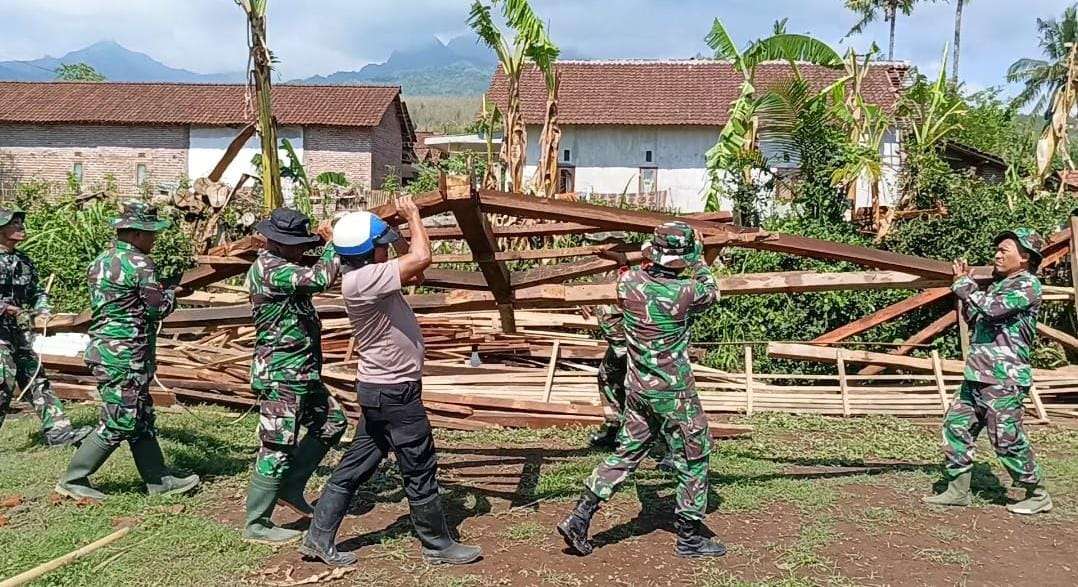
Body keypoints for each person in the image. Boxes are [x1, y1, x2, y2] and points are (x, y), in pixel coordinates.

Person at [299, 196, 481, 567]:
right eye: (380, 245)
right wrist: (414, 215)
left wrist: (389, 229)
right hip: (395, 391)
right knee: (419, 463)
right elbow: (422, 259)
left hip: (380, 389)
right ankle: (437, 545)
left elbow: (414, 268)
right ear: (370, 253)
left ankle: (317, 538)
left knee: (358, 463)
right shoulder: (364, 280)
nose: (386, 250)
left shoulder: (365, 274)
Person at [558, 221, 725, 558]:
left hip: (637, 389)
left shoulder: (628, 283)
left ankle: (579, 518)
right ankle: (690, 537)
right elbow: (713, 287)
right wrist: (700, 259)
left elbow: (632, 272)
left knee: (627, 453)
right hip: (674, 392)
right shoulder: (687, 293)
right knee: (695, 457)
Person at [56, 202, 199, 500]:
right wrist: (172, 293)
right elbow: (156, 309)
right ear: (134, 235)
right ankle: (74, 478)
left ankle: (159, 480)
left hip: (107, 349)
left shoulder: (100, 261)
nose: (154, 239)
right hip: (124, 355)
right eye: (150, 234)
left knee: (141, 418)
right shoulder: (141, 265)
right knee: (119, 420)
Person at [924, 228, 1052, 515]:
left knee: (1006, 439)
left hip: (1004, 379)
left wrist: (965, 285)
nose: (997, 254)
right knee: (956, 426)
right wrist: (967, 291)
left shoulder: (1028, 285)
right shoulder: (997, 286)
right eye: (997, 249)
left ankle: (1038, 492)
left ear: (1024, 258)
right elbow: (976, 316)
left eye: (1004, 249)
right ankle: (957, 491)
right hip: (977, 374)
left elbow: (992, 310)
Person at [242, 208, 348, 544]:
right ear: (280, 243)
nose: (304, 249)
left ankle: (291, 486)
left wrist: (325, 238)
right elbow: (319, 278)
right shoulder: (271, 269)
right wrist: (332, 244)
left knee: (332, 422)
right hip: (280, 373)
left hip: (301, 371)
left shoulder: (286, 259)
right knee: (277, 445)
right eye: (298, 244)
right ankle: (257, 522)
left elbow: (313, 255)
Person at [0, 208, 91, 446]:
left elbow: (36, 292)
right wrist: (9, 309)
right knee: (3, 382)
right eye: (14, 223)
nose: (20, 227)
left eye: (20, 222)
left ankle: (59, 433)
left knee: (35, 378)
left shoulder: (23, 261)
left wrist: (43, 308)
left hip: (17, 332)